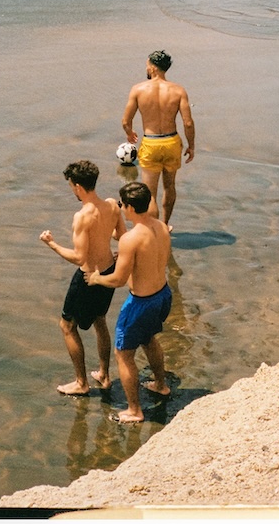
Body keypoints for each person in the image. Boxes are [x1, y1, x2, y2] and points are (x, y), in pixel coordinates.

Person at [87, 181, 172, 423]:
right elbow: (152, 257)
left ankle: (134, 410)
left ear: (131, 208)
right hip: (163, 294)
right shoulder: (163, 227)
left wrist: (96, 278)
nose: (121, 208)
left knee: (123, 354)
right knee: (148, 338)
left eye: (123, 205)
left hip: (141, 302)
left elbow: (118, 280)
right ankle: (161, 385)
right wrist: (126, 257)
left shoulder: (130, 239)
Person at [40, 160, 125, 396]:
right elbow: (121, 235)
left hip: (88, 277)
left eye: (71, 186)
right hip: (108, 271)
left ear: (77, 186)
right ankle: (105, 376)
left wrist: (52, 244)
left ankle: (81, 383)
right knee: (100, 321)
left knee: (67, 326)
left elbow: (79, 257)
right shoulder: (111, 205)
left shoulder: (82, 217)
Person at [122, 50, 195, 228]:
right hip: (171, 142)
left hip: (151, 142)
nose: (146, 68)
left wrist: (130, 133)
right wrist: (191, 145)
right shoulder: (178, 90)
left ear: (153, 67)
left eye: (147, 64)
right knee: (169, 186)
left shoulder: (138, 89)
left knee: (150, 193)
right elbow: (188, 123)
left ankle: (154, 230)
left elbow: (125, 120)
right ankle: (165, 224)